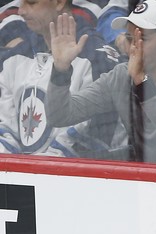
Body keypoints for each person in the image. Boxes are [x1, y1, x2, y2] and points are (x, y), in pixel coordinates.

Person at [45, 0, 156, 164]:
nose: (132, 46)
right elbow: (60, 116)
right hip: (142, 182)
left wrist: (141, 81)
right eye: (130, 38)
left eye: (142, 39)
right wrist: (61, 70)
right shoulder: (122, 75)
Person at [0, 0, 118, 156]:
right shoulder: (12, 59)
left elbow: (90, 143)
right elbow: (6, 132)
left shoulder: (98, 60)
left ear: (59, 2)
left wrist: (34, 174)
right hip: (22, 176)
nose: (21, 11)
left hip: (77, 177)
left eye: (31, 3)